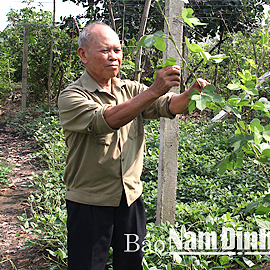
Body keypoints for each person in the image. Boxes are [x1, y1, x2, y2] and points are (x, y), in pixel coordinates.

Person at [57, 22, 208, 270]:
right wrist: (153, 90)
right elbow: (107, 119)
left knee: (131, 264)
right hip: (90, 203)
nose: (113, 57)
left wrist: (192, 93)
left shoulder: (130, 89)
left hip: (130, 199)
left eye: (117, 50)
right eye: (105, 50)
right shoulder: (72, 96)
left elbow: (169, 105)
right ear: (83, 54)